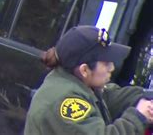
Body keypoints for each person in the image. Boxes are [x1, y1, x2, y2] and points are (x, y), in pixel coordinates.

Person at [24, 25, 153, 134]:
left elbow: (111, 97)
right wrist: (138, 116)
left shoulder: (77, 82)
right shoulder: (64, 102)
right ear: (84, 70)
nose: (112, 67)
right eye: (106, 63)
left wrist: (147, 97)